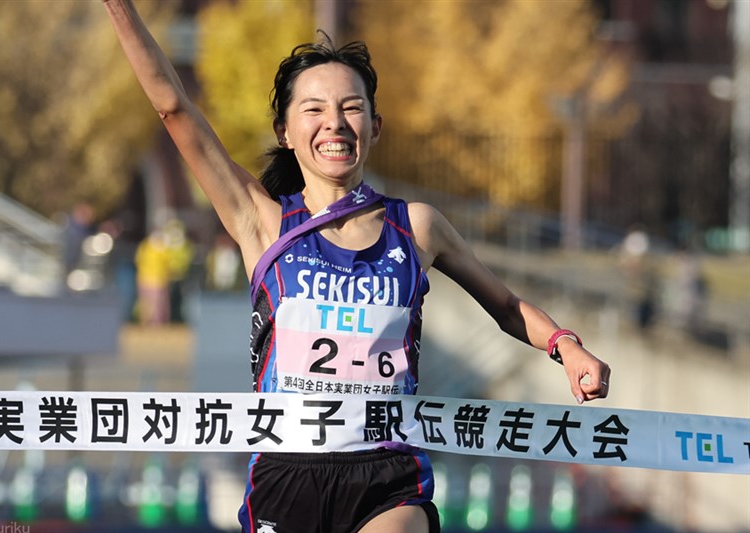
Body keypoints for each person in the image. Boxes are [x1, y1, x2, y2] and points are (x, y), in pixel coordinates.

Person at [102, 2, 611, 532]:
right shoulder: (262, 224)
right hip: (286, 472)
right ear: (285, 131)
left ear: (374, 125)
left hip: (386, 478)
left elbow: (505, 306)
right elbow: (174, 109)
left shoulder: (416, 227)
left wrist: (566, 346)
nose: (335, 123)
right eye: (315, 110)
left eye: (351, 107)